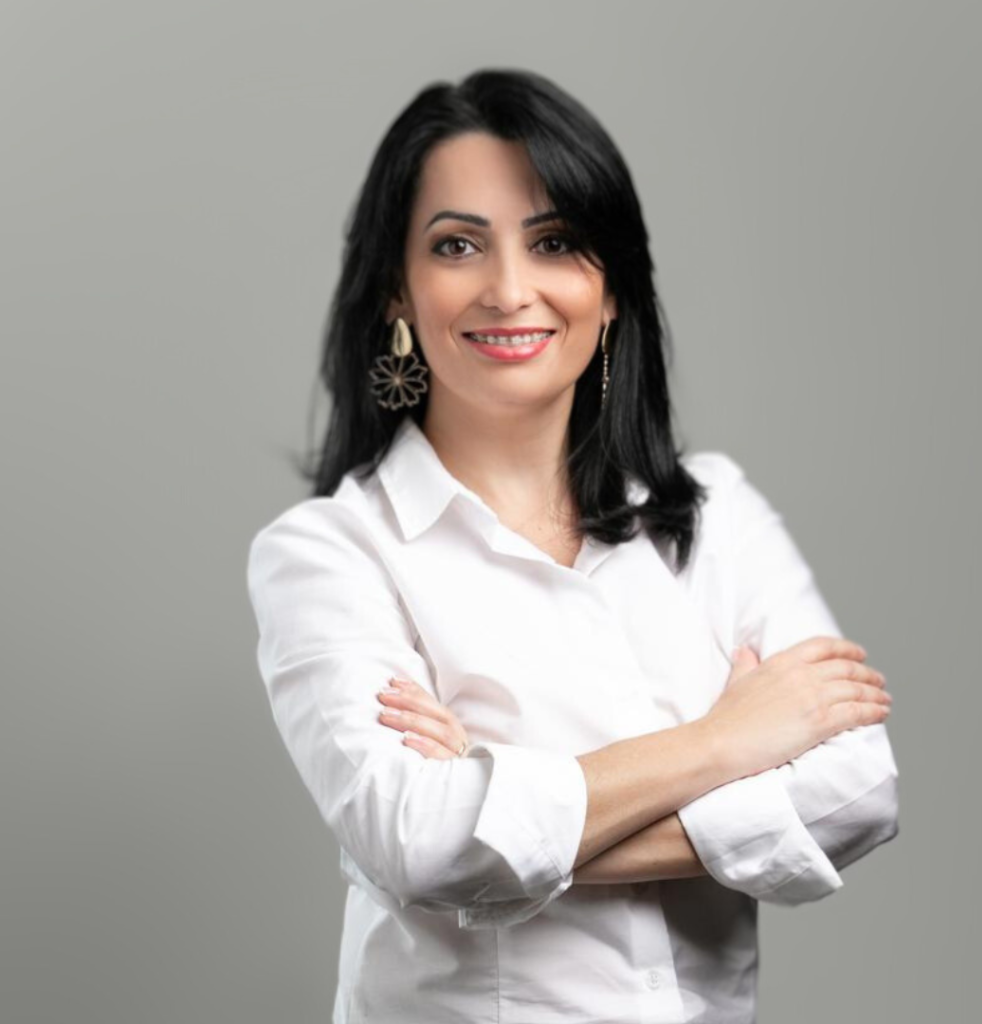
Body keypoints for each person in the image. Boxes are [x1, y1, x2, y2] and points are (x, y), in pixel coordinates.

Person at [245, 68, 899, 1024]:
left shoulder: (716, 513)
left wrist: (502, 806)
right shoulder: (327, 553)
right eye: (457, 245)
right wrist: (725, 742)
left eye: (554, 242)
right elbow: (417, 841)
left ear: (613, 286)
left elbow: (860, 789)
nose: (510, 290)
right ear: (396, 289)